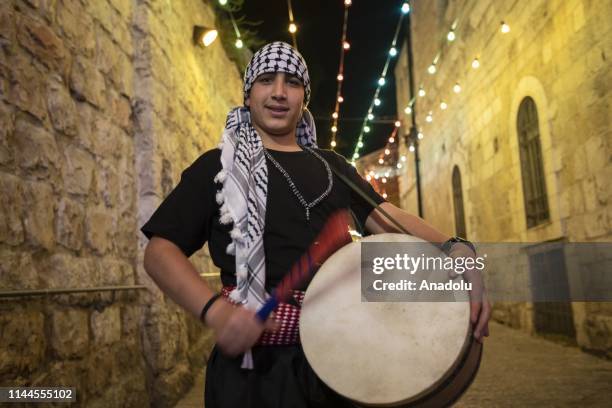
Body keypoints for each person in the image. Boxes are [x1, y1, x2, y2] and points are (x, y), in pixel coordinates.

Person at [141, 41, 491, 408]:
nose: (279, 92)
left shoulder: (333, 168)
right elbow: (159, 251)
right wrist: (216, 311)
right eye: (266, 80)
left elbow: (389, 218)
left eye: (292, 82)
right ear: (248, 94)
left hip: (342, 365)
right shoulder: (219, 167)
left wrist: (459, 249)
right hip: (251, 379)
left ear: (303, 98)